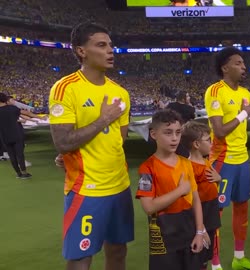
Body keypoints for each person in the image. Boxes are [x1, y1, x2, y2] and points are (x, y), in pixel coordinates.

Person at [48, 22, 134, 270]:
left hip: (119, 186)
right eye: (101, 45)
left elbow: (119, 140)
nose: (110, 50)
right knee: (80, 257)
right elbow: (63, 142)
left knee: (118, 251)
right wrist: (103, 119)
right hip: (86, 188)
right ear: (81, 51)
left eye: (110, 45)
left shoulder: (121, 92)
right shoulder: (65, 88)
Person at [204, 47, 250, 270]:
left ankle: (239, 258)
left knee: (242, 207)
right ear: (225, 67)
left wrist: (243, 113)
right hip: (222, 160)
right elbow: (219, 131)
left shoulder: (245, 93)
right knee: (216, 212)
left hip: (241, 159)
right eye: (238, 63)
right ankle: (216, 264)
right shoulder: (215, 91)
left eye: (243, 63)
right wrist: (243, 114)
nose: (244, 67)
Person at [136, 110, 208, 270]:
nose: (174, 138)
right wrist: (180, 190)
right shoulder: (147, 168)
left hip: (188, 230)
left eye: (178, 133)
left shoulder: (186, 163)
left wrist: (199, 231)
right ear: (153, 134)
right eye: (168, 133)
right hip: (163, 236)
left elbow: (195, 199)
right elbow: (149, 207)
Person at [180, 121, 222, 270]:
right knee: (195, 258)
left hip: (210, 214)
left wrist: (218, 179)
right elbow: (190, 199)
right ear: (196, 144)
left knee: (205, 258)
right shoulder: (189, 167)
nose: (212, 143)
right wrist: (201, 228)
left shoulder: (206, 162)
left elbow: (211, 185)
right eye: (208, 140)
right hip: (199, 219)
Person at [0, 93, 31, 179]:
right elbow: (25, 113)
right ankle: (24, 172)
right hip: (16, 134)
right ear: (5, 100)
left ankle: (18, 173)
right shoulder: (12, 108)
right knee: (20, 154)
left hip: (4, 137)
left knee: (12, 155)